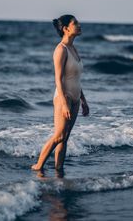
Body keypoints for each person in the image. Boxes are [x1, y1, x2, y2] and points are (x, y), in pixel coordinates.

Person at [31, 14, 89, 171]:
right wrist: (64, 103)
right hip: (64, 97)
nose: (79, 25)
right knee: (59, 136)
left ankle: (58, 170)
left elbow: (76, 78)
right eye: (75, 23)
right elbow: (58, 79)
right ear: (66, 29)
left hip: (76, 98)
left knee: (65, 138)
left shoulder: (73, 49)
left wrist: (83, 100)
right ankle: (38, 166)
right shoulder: (61, 50)